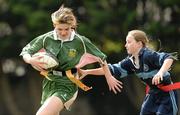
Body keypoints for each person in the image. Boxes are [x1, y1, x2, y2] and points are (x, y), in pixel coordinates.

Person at [20, 5, 122, 115]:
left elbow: (101, 58)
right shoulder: (46, 38)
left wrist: (109, 76)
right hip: (49, 82)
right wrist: (31, 60)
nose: (63, 33)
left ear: (71, 26)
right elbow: (26, 52)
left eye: (66, 29)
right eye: (59, 29)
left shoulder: (80, 41)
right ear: (54, 25)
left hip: (67, 84)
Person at [78, 30, 178, 115]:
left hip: (166, 94)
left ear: (139, 44)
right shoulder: (130, 62)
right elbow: (110, 69)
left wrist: (160, 73)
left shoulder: (148, 55)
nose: (125, 45)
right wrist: (87, 72)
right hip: (152, 94)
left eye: (129, 42)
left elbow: (169, 58)